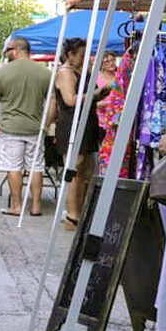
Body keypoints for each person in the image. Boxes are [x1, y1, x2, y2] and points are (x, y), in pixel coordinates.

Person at [0, 37, 50, 217]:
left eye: (7, 51)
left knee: (14, 166)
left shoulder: (1, 73)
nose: (6, 54)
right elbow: (52, 101)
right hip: (35, 127)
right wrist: (46, 123)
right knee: (36, 166)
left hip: (10, 127)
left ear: (15, 50)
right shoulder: (44, 73)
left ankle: (17, 206)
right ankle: (36, 206)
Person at [54, 38, 113, 229]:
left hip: (87, 122)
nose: (84, 58)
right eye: (81, 55)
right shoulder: (65, 72)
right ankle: (72, 215)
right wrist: (96, 94)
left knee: (86, 171)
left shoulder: (83, 70)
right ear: (70, 55)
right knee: (75, 170)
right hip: (72, 123)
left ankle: (81, 212)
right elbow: (70, 100)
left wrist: (98, 95)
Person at [95, 51, 122, 175]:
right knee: (103, 150)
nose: (111, 63)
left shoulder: (119, 76)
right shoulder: (97, 78)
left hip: (117, 120)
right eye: (107, 61)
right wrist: (101, 104)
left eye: (112, 60)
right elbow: (93, 98)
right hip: (101, 121)